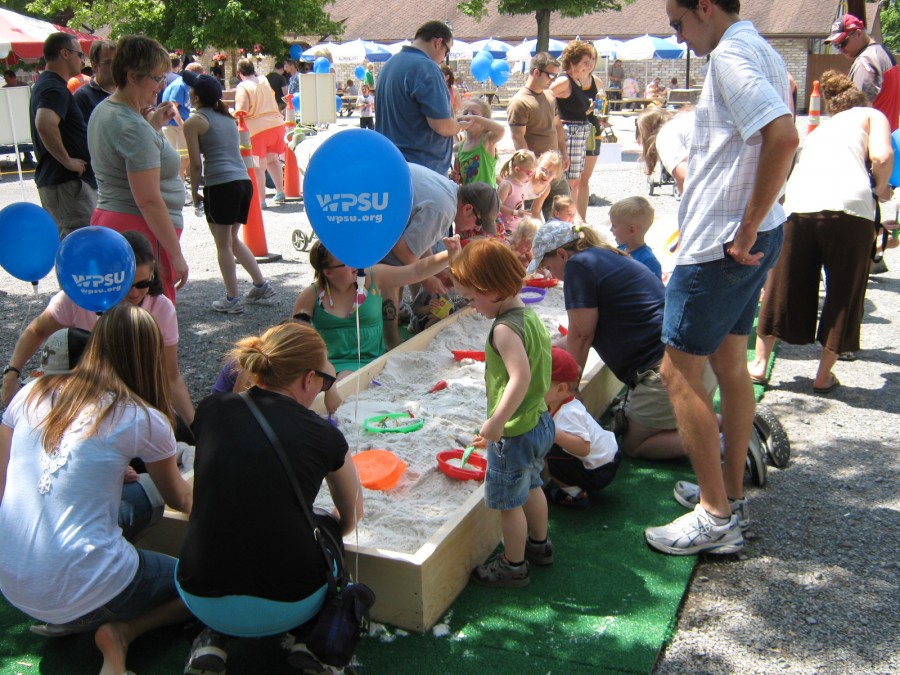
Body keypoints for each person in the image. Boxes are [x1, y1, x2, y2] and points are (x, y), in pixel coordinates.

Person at [644, 0, 798, 557]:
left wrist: (745, 226)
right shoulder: (761, 49)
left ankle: (714, 515)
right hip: (746, 235)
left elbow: (784, 137)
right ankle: (729, 494)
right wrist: (755, 222)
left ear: (704, 7)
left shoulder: (731, 55)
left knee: (678, 374)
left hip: (721, 242)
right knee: (731, 366)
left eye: (678, 23)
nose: (678, 37)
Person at [0, 303, 193, 675]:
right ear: (150, 355)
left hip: (12, 580)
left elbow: (5, 483)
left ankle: (75, 613)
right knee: (202, 581)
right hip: (83, 587)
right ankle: (121, 633)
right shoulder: (141, 417)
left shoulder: (30, 391)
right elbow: (181, 499)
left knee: (140, 495)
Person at [176, 322, 363, 674]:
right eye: (325, 382)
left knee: (230, 519)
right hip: (291, 598)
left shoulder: (210, 411)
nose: (323, 389)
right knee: (326, 524)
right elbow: (352, 513)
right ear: (308, 379)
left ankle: (212, 638)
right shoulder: (323, 434)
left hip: (199, 591)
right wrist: (330, 525)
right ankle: (313, 641)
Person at [748, 72, 893, 394]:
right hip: (851, 208)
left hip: (799, 205)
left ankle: (759, 363)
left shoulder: (821, 129)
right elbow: (882, 156)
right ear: (860, 100)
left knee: (783, 284)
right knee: (844, 290)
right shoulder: (872, 115)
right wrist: (881, 189)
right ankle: (823, 374)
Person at [527, 222, 720, 463]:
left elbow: (582, 336)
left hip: (667, 370)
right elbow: (581, 332)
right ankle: (726, 425)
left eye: (548, 266)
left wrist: (572, 388)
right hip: (692, 359)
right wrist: (547, 348)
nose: (551, 275)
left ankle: (726, 438)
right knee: (659, 422)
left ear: (562, 254)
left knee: (634, 443)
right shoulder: (603, 255)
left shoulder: (578, 266)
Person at [2, 229, 196, 426]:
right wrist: (12, 373)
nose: (135, 293)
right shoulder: (78, 298)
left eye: (143, 283)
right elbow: (37, 331)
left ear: (153, 274)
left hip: (131, 399)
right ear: (109, 276)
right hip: (78, 394)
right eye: (127, 284)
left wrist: (194, 428)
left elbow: (171, 377)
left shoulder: (161, 308)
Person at [450, 238, 554, 588]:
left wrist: (496, 423)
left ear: (492, 290)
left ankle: (514, 565)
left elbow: (520, 378)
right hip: (539, 421)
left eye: (472, 298)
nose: (472, 307)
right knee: (533, 484)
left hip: (515, 431)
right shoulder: (527, 316)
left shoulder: (505, 329)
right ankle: (540, 545)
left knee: (510, 503)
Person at [292, 235, 462, 410]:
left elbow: (414, 271)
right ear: (328, 272)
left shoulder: (371, 276)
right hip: (327, 366)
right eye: (346, 262)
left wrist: (449, 254)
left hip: (371, 363)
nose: (355, 264)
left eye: (353, 257)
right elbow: (297, 343)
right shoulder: (310, 296)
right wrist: (327, 377)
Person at [88, 35, 189, 304]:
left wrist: (153, 124)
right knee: (150, 315)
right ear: (132, 76)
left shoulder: (106, 110)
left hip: (116, 219)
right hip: (140, 228)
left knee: (119, 313)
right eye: (156, 78)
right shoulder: (131, 126)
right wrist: (175, 254)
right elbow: (148, 199)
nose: (162, 85)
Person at [379, 163, 500, 349]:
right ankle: (391, 342)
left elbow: (419, 243)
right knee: (396, 273)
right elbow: (403, 251)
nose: (476, 228)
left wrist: (437, 273)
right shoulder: (444, 209)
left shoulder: (449, 192)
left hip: (382, 204)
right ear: (468, 209)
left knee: (403, 270)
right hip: (371, 207)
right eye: (478, 222)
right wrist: (428, 279)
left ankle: (392, 330)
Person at [183, 73, 276, 315]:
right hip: (242, 182)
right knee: (233, 239)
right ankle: (260, 285)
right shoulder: (227, 118)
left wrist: (194, 192)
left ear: (196, 96)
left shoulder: (194, 122)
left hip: (220, 184)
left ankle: (232, 299)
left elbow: (195, 164)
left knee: (223, 243)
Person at [29, 32, 97, 238]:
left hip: (63, 183)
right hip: (66, 184)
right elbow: (44, 123)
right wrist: (67, 161)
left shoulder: (49, 84)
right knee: (80, 242)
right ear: (65, 53)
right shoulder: (53, 87)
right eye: (80, 55)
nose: (82, 61)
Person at [376, 20, 459, 174]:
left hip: (393, 162)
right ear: (438, 42)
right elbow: (442, 125)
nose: (443, 58)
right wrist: (460, 126)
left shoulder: (389, 64)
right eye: (447, 52)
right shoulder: (426, 67)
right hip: (422, 168)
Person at [544, 346, 621, 510]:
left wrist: (553, 432)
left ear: (561, 389)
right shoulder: (560, 402)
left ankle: (576, 495)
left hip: (600, 470)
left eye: (538, 383)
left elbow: (583, 448)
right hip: (605, 459)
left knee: (545, 450)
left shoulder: (568, 414)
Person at [507, 52, 570, 221]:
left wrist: (564, 153)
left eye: (556, 76)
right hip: (532, 172)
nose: (553, 80)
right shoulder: (520, 102)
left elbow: (557, 126)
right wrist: (531, 168)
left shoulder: (550, 96)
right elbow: (518, 138)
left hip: (553, 167)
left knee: (564, 212)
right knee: (528, 220)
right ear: (536, 72)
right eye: (550, 75)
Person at [550, 41, 598, 224]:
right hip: (570, 132)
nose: (589, 65)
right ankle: (567, 219)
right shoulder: (564, 80)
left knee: (575, 181)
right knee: (570, 181)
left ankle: (572, 218)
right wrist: (555, 120)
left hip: (579, 132)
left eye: (590, 61)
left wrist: (587, 109)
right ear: (572, 62)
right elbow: (546, 96)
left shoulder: (577, 81)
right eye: (584, 62)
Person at [826, 13, 900, 131]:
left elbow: (858, 112)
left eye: (843, 42)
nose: (841, 49)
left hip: (872, 137)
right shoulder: (884, 53)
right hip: (888, 134)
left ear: (859, 33)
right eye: (836, 45)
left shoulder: (865, 62)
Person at [234, 58, 286, 207]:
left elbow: (242, 109)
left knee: (258, 165)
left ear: (239, 72)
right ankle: (280, 192)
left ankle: (260, 200)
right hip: (276, 124)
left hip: (256, 129)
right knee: (273, 159)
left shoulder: (243, 86)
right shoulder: (264, 80)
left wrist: (232, 113)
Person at [161, 62, 204, 188]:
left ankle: (180, 184)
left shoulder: (186, 85)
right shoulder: (180, 85)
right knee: (183, 158)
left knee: (184, 158)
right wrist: (183, 125)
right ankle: (179, 186)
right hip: (174, 126)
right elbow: (173, 106)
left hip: (177, 126)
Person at [453, 96, 504, 187]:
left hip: (486, 194)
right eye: (465, 113)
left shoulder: (488, 140)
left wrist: (475, 119)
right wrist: (456, 177)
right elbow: (463, 177)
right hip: (468, 194)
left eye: (474, 114)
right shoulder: (459, 147)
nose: (468, 116)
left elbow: (501, 130)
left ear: (484, 121)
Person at [609, 196, 662, 279]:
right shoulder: (620, 249)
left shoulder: (648, 261)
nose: (610, 230)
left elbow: (655, 286)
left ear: (632, 230)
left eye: (614, 226)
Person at [72, 40, 117, 122]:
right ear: (95, 66)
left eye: (119, 61)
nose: (117, 66)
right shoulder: (82, 98)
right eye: (109, 62)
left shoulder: (125, 90)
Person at [497, 149, 537, 234]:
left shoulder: (521, 184)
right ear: (517, 169)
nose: (531, 177)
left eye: (533, 174)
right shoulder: (507, 185)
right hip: (504, 227)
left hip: (515, 228)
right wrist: (516, 213)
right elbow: (497, 206)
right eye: (529, 173)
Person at [525, 150, 563, 219]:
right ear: (537, 166)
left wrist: (538, 224)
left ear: (555, 175)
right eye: (543, 170)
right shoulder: (527, 177)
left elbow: (535, 211)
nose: (545, 175)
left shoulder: (546, 188)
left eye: (551, 173)